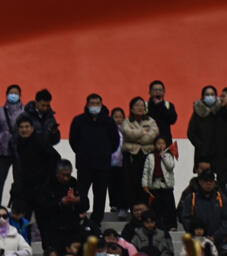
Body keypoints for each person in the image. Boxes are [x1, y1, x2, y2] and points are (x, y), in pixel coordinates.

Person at [68, 94, 119, 226]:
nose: (95, 106)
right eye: (92, 103)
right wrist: (82, 153)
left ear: (101, 104)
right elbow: (73, 140)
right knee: (82, 192)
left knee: (100, 194)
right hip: (84, 164)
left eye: (97, 103)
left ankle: (97, 220)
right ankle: (80, 217)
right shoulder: (79, 120)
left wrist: (105, 153)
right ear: (87, 104)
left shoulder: (109, 122)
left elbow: (115, 141)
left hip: (103, 165)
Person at [34, 160, 86, 255]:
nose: (66, 178)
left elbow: (85, 204)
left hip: (71, 229)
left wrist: (77, 200)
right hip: (52, 230)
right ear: (57, 173)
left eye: (68, 175)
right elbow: (42, 207)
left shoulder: (74, 183)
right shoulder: (47, 185)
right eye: (63, 175)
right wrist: (60, 203)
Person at [120, 97, 158, 210]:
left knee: (146, 182)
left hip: (147, 155)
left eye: (142, 105)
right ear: (131, 108)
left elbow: (153, 135)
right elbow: (128, 134)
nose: (140, 107)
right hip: (131, 156)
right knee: (131, 183)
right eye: (137, 105)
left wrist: (136, 136)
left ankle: (146, 208)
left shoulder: (151, 121)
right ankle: (133, 209)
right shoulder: (126, 121)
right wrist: (143, 131)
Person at [0, 86, 24, 208]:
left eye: (16, 93)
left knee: (19, 181)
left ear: (20, 95)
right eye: (11, 93)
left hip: (20, 151)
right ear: (6, 94)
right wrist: (2, 138)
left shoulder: (25, 111)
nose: (13, 95)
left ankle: (17, 206)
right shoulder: (0, 111)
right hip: (3, 151)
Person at [181, 170, 227, 243]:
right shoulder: (191, 199)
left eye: (211, 181)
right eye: (206, 180)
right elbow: (185, 219)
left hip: (218, 241)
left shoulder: (221, 198)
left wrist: (215, 237)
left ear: (214, 182)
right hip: (197, 240)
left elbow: (226, 220)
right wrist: (196, 233)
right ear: (200, 182)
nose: (208, 183)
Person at [142, 135, 177, 230]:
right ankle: (157, 225)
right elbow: (146, 171)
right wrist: (145, 185)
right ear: (154, 145)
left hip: (166, 185)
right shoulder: (150, 156)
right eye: (158, 143)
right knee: (156, 207)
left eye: (163, 143)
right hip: (154, 186)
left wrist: (164, 156)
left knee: (168, 206)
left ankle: (171, 225)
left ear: (166, 145)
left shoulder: (168, 155)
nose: (161, 145)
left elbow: (170, 166)